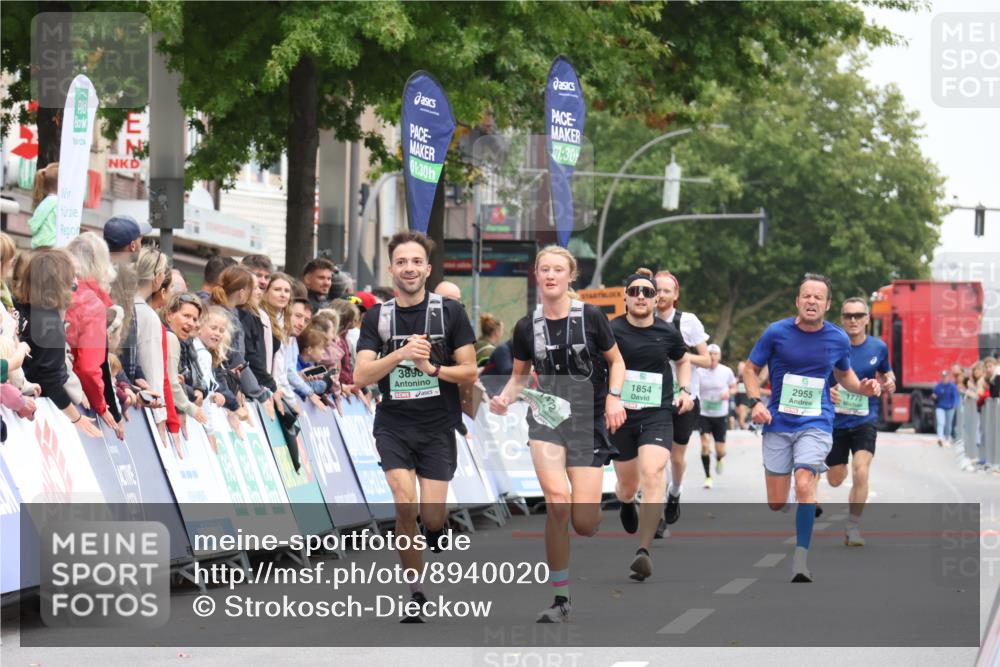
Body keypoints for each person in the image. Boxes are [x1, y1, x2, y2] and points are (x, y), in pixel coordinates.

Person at [489, 245, 626, 623]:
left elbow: (616, 362)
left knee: (585, 522)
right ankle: (561, 597)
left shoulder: (592, 317)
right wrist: (503, 399)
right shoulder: (525, 326)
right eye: (544, 269)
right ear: (537, 275)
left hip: (589, 419)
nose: (551, 275)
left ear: (570, 276)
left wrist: (615, 398)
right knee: (556, 501)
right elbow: (519, 378)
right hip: (547, 419)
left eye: (557, 270)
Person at [355, 231, 477, 623]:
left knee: (434, 516)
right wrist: (402, 354)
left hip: (438, 425)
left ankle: (437, 528)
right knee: (403, 502)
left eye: (416, 262)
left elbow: (470, 371)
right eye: (401, 262)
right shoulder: (378, 317)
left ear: (427, 268)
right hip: (393, 424)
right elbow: (360, 375)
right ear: (391, 268)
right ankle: (416, 592)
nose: (409, 268)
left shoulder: (451, 313)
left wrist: (431, 368)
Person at [743, 273, 881, 583]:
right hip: (778, 421)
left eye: (818, 297)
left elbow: (844, 375)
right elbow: (750, 370)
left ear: (828, 305)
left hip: (816, 421)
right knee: (776, 502)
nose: (811, 301)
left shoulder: (837, 338)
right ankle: (790, 492)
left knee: (805, 483)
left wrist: (863, 388)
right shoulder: (775, 332)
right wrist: (755, 402)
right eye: (806, 295)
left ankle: (801, 559)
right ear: (797, 300)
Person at [609, 268, 692, 581]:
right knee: (628, 484)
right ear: (626, 298)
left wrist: (684, 391)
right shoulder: (611, 330)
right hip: (621, 415)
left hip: (657, 413)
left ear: (657, 299)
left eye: (647, 292)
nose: (640, 297)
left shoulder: (667, 332)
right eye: (635, 292)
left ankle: (644, 551)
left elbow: (682, 360)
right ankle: (627, 501)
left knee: (654, 472)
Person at [825, 297, 895, 546]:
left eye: (858, 315)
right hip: (835, 422)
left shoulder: (878, 347)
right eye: (847, 316)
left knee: (861, 470)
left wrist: (889, 381)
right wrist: (828, 390)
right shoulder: (832, 345)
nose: (853, 320)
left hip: (865, 419)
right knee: (835, 479)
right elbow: (818, 373)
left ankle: (852, 528)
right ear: (842, 319)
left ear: (867, 319)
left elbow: (887, 372)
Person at [12, 249, 102, 437]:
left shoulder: (14, 304)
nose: (75, 284)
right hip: (30, 412)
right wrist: (76, 418)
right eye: (72, 278)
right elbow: (50, 379)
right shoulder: (49, 321)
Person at [653, 270, 711, 534]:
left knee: (676, 457)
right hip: (653, 398)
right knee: (655, 458)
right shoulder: (643, 319)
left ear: (675, 295)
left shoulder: (688, 321)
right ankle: (657, 515)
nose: (661, 295)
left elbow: (708, 360)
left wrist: (679, 356)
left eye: (667, 291)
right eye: (657, 290)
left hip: (685, 399)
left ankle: (675, 492)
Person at [66, 233, 125, 440]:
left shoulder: (54, 289)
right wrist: (102, 406)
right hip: (71, 398)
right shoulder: (92, 303)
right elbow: (90, 368)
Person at [210, 265, 273, 407]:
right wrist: (260, 394)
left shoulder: (214, 310)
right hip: (225, 391)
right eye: (253, 289)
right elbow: (236, 360)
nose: (255, 293)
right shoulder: (231, 320)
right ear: (242, 293)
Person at [162, 293, 209, 433]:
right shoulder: (170, 338)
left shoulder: (185, 342)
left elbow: (198, 379)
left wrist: (199, 390)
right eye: (186, 316)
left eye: (194, 319)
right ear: (170, 315)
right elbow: (170, 382)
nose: (191, 323)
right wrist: (191, 407)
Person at [696, 343, 737, 488]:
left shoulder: (726, 371)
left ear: (719, 356)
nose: (712, 357)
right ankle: (708, 477)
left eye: (715, 354)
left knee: (721, 450)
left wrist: (728, 393)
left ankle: (719, 458)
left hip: (720, 415)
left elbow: (734, 387)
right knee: (705, 445)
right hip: (704, 414)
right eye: (710, 354)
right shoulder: (699, 371)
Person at [28, 162, 58, 249]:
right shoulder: (56, 203)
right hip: (50, 247)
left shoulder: (45, 202)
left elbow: (34, 225)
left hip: (40, 246)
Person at [932, 369, 960, 447]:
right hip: (940, 407)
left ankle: (947, 438)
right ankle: (940, 438)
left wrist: (955, 404)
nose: (944, 378)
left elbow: (956, 396)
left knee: (948, 424)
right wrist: (934, 397)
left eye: (946, 376)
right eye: (943, 377)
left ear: (948, 377)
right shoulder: (938, 386)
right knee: (941, 423)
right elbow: (934, 395)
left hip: (950, 407)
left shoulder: (952, 386)